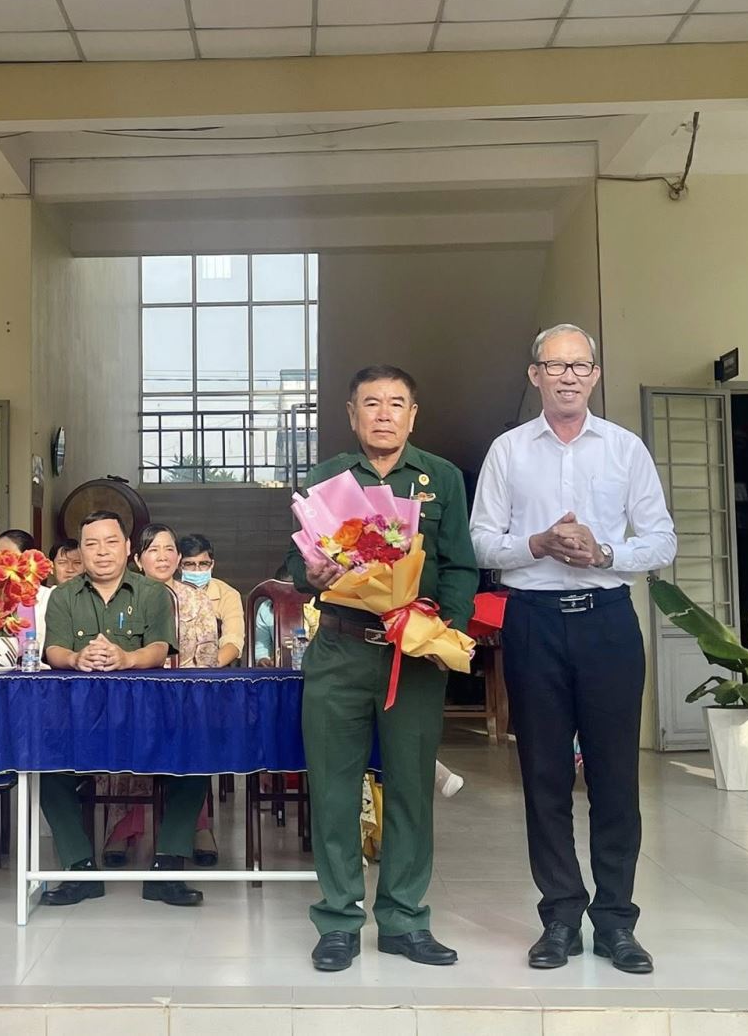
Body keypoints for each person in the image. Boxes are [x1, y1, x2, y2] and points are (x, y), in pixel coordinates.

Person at [468, 324, 676, 976]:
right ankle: (560, 915)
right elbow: (480, 540)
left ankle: (616, 921)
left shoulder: (625, 448)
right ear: (535, 375)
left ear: (594, 375)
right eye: (554, 365)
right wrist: (536, 544)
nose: (567, 376)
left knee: (615, 777)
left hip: (607, 621)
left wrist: (604, 551)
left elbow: (662, 540)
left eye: (579, 365)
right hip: (532, 622)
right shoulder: (508, 451)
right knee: (545, 777)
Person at [287, 365, 477, 972]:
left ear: (413, 415)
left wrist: (443, 630)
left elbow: (461, 565)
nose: (384, 413)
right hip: (340, 650)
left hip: (412, 655)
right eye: (371, 403)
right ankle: (338, 919)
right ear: (352, 414)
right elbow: (297, 567)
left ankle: (403, 919)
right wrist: (312, 574)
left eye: (397, 403)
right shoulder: (327, 477)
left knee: (412, 789)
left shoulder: (441, 478)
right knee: (334, 788)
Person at [37, 511, 206, 907]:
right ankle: (80, 869)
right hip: (80, 716)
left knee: (195, 757)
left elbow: (159, 648)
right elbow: (53, 649)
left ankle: (167, 869)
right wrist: (76, 658)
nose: (101, 551)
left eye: (111, 542)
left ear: (128, 547)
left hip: (146, 715)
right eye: (91, 544)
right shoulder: (63, 596)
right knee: (44, 763)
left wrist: (127, 658)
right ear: (80, 551)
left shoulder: (152, 593)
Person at [100, 524, 220, 868]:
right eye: (154, 550)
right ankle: (123, 826)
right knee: (128, 733)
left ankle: (196, 827)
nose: (163, 557)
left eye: (169, 550)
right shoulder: (122, 597)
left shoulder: (196, 598)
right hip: (134, 697)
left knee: (195, 734)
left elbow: (207, 655)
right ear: (138, 559)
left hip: (185, 697)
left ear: (179, 558)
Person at [177, 534, 245, 667]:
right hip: (175, 670)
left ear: (212, 564)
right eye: (189, 564)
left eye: (203, 564)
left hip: (214, 668)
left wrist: (204, 669)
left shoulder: (228, 595)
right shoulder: (170, 593)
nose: (197, 570)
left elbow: (233, 641)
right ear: (179, 566)